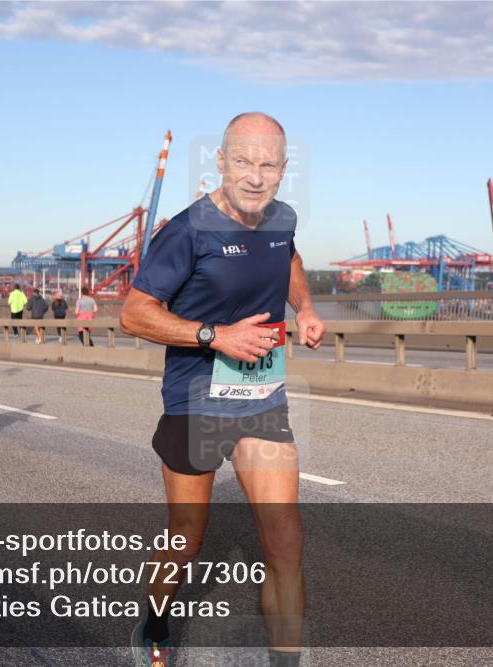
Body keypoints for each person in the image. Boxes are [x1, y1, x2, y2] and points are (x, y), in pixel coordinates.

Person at [120, 113, 325, 667]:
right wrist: (215, 336)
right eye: (243, 162)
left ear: (284, 169)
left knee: (286, 538)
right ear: (220, 161)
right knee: (187, 538)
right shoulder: (187, 229)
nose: (255, 177)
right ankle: (157, 619)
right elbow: (135, 314)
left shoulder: (282, 218)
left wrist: (303, 308)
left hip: (261, 397)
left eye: (267, 165)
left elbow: (290, 260)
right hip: (195, 397)